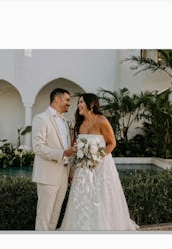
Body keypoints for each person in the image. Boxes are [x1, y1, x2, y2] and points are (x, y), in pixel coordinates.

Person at [61, 93, 138, 231]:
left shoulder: (102, 121)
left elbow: (112, 143)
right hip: (83, 169)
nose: (78, 105)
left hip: (101, 166)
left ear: (91, 104)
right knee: (83, 198)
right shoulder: (79, 123)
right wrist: (73, 167)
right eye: (78, 102)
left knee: (102, 197)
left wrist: (96, 158)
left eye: (81, 102)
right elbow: (75, 146)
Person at [32, 88, 76, 231]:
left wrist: (70, 173)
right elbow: (38, 147)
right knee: (44, 218)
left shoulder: (65, 121)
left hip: (63, 176)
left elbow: (68, 149)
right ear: (57, 99)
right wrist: (63, 153)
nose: (69, 103)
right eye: (67, 100)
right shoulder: (41, 118)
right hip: (47, 175)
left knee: (54, 218)